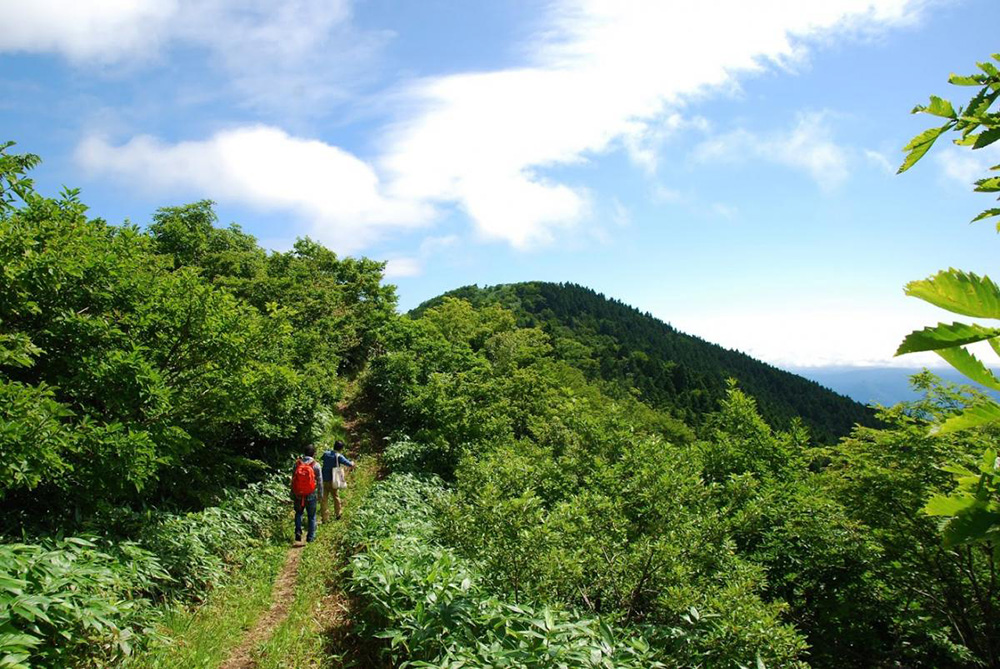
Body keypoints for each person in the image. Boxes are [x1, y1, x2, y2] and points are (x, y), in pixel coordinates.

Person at [291, 444, 323, 544]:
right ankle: (310, 537)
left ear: (304, 453)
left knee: (298, 513)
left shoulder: (297, 464)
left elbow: (293, 479)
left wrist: (292, 492)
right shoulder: (316, 465)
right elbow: (320, 482)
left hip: (298, 494)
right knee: (311, 516)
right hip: (311, 494)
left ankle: (298, 531)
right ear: (314, 453)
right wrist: (320, 495)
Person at [320, 440, 355, 521]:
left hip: (324, 479)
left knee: (324, 499)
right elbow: (349, 464)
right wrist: (352, 463)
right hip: (333, 480)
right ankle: (338, 514)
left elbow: (322, 459)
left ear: (334, 446)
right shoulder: (339, 456)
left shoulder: (326, 453)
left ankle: (325, 518)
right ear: (341, 448)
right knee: (335, 496)